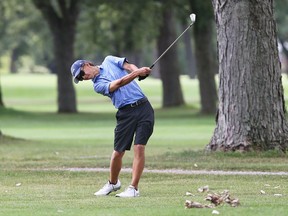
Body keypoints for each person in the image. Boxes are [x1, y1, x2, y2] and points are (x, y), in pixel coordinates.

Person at [70, 56, 154, 198]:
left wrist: (139, 72)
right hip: (125, 114)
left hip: (144, 108)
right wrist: (137, 73)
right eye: (80, 78)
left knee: (139, 147)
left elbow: (128, 66)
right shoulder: (98, 86)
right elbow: (119, 83)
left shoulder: (109, 60)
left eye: (82, 73)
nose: (84, 77)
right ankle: (113, 183)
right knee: (118, 152)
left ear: (86, 64)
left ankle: (133, 188)